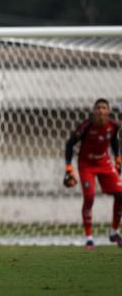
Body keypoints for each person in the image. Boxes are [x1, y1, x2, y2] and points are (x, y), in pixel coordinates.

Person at [64, 98, 122, 249]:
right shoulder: (86, 125)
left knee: (120, 195)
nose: (101, 111)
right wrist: (69, 169)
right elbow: (70, 144)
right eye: (98, 108)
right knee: (89, 197)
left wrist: (117, 158)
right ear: (93, 111)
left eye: (104, 108)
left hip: (104, 163)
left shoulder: (114, 125)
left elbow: (114, 141)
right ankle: (89, 238)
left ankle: (114, 232)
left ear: (108, 111)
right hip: (86, 165)